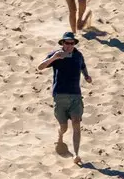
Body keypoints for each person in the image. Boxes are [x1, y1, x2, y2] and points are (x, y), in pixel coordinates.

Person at [37, 31, 91, 163]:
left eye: (72, 43)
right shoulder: (56, 55)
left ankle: (76, 154)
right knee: (64, 127)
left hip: (75, 96)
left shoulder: (78, 55)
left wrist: (86, 76)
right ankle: (60, 135)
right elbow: (40, 67)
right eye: (67, 43)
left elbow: (83, 66)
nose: (69, 45)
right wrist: (54, 58)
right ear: (62, 43)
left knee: (76, 124)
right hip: (60, 95)